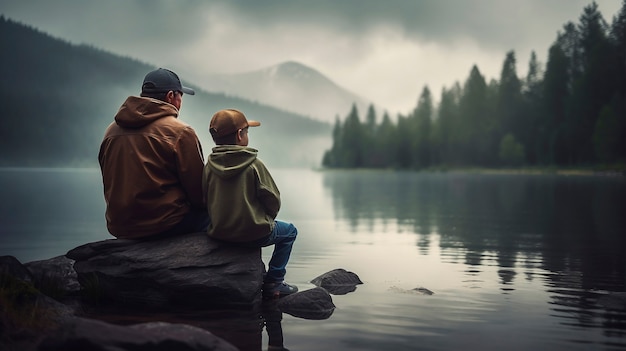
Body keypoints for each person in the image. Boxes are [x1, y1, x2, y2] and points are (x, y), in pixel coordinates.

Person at [98, 68, 210, 239]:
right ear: (170, 96)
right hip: (164, 224)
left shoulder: (111, 131)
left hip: (119, 226)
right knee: (225, 221)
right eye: (181, 96)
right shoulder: (180, 131)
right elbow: (199, 194)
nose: (181, 102)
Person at [202, 108, 298, 298]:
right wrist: (266, 218)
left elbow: (205, 199)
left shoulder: (209, 167)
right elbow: (273, 199)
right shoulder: (254, 164)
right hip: (255, 234)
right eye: (246, 131)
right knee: (290, 232)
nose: (247, 135)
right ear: (240, 135)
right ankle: (274, 282)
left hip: (220, 234)